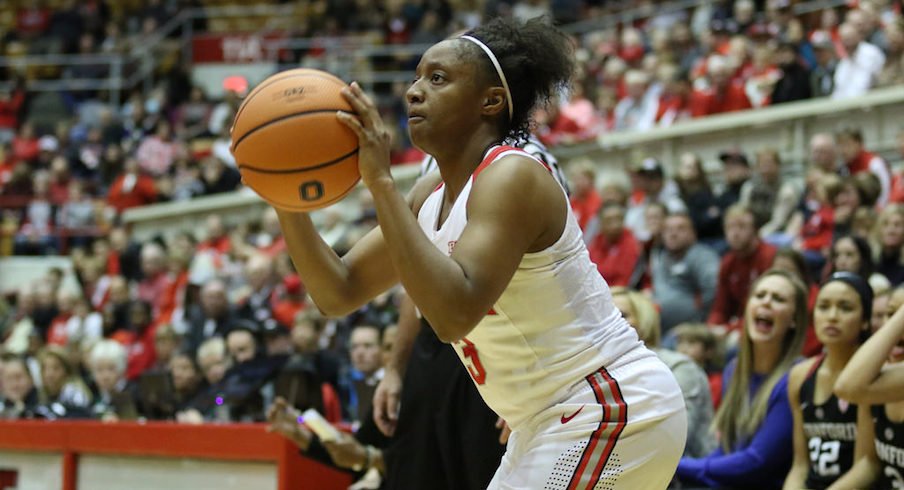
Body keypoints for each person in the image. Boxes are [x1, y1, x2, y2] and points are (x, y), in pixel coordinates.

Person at [276, 17, 686, 489]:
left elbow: (453, 316)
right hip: (542, 420)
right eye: (415, 77)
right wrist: (285, 196)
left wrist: (381, 182)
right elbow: (338, 291)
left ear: (490, 100)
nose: (413, 91)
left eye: (437, 78)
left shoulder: (513, 176)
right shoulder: (429, 195)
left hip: (608, 405)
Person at [676, 269, 809, 489]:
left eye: (778, 299)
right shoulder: (734, 370)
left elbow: (757, 462)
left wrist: (680, 466)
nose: (766, 302)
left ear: (794, 319)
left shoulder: (795, 377)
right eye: (760, 295)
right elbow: (727, 449)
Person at [784, 272, 873, 489]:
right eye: (824, 306)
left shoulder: (870, 375)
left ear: (864, 321)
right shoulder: (799, 375)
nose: (832, 316)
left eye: (845, 308)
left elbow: (866, 466)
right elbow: (800, 465)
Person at [834, 285, 904, 488]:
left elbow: (849, 387)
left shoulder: (865, 383)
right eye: (890, 313)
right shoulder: (873, 378)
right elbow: (868, 463)